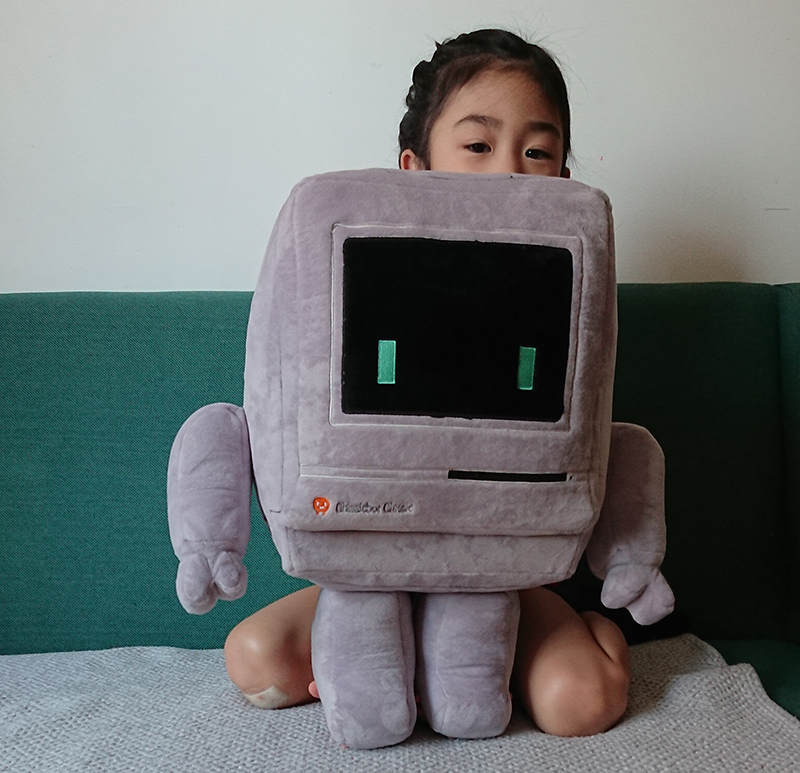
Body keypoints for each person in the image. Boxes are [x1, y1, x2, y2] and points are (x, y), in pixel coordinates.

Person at [224, 29, 631, 739]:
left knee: (582, 702)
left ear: (564, 175)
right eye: (478, 145)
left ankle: (541, 641)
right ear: (413, 169)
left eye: (538, 153)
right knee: (256, 659)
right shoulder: (365, 275)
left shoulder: (563, 283)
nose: (509, 172)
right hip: (373, 557)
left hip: (502, 571)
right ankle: (398, 657)